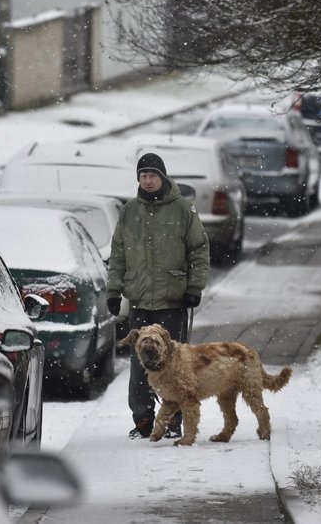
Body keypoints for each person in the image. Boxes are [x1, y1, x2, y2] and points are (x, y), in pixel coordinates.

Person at [107, 152, 211, 439]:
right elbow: (117, 254)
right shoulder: (130, 212)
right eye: (143, 176)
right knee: (140, 363)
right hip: (140, 300)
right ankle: (142, 418)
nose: (148, 180)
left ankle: (173, 420)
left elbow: (199, 249)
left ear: (162, 177)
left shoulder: (182, 209)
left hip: (172, 301)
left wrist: (194, 287)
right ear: (138, 179)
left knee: (173, 365)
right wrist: (114, 290)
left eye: (153, 175)